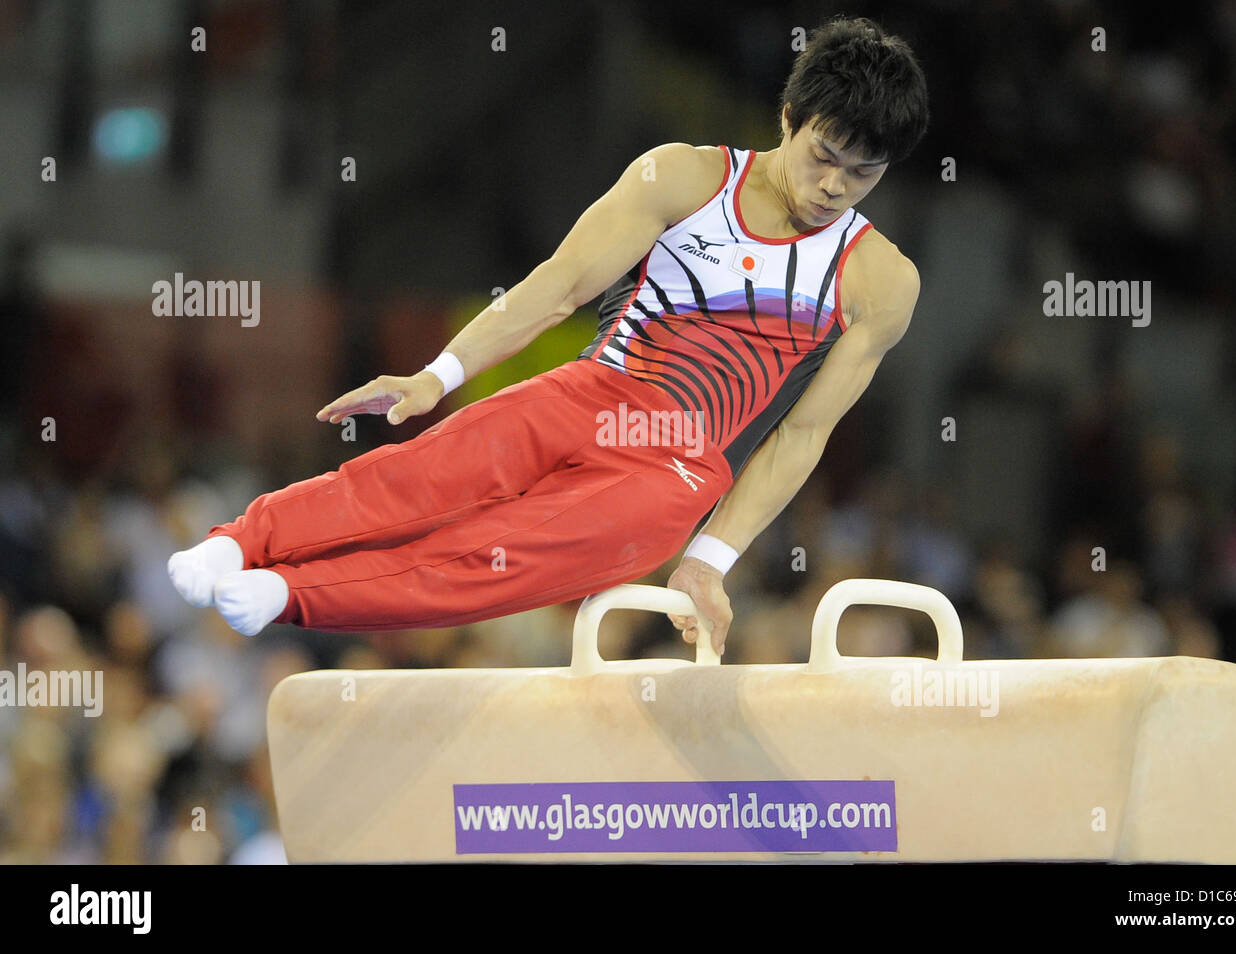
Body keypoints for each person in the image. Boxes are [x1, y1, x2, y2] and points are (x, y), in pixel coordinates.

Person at [167, 16, 928, 656]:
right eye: (824, 157)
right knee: (419, 476)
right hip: (594, 393)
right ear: (789, 118)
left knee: (496, 559)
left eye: (861, 175)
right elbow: (560, 284)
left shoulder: (880, 282)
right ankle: (239, 541)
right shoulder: (684, 180)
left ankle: (289, 592)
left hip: (677, 472)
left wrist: (708, 560)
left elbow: (800, 436)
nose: (833, 186)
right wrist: (438, 375)